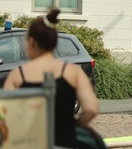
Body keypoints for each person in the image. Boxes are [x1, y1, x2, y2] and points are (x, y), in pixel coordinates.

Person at [3, 8, 99, 148]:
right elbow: (91, 108)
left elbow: (6, 114)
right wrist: (76, 124)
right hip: (66, 142)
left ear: (31, 42)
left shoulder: (18, 74)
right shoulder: (72, 72)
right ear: (54, 43)